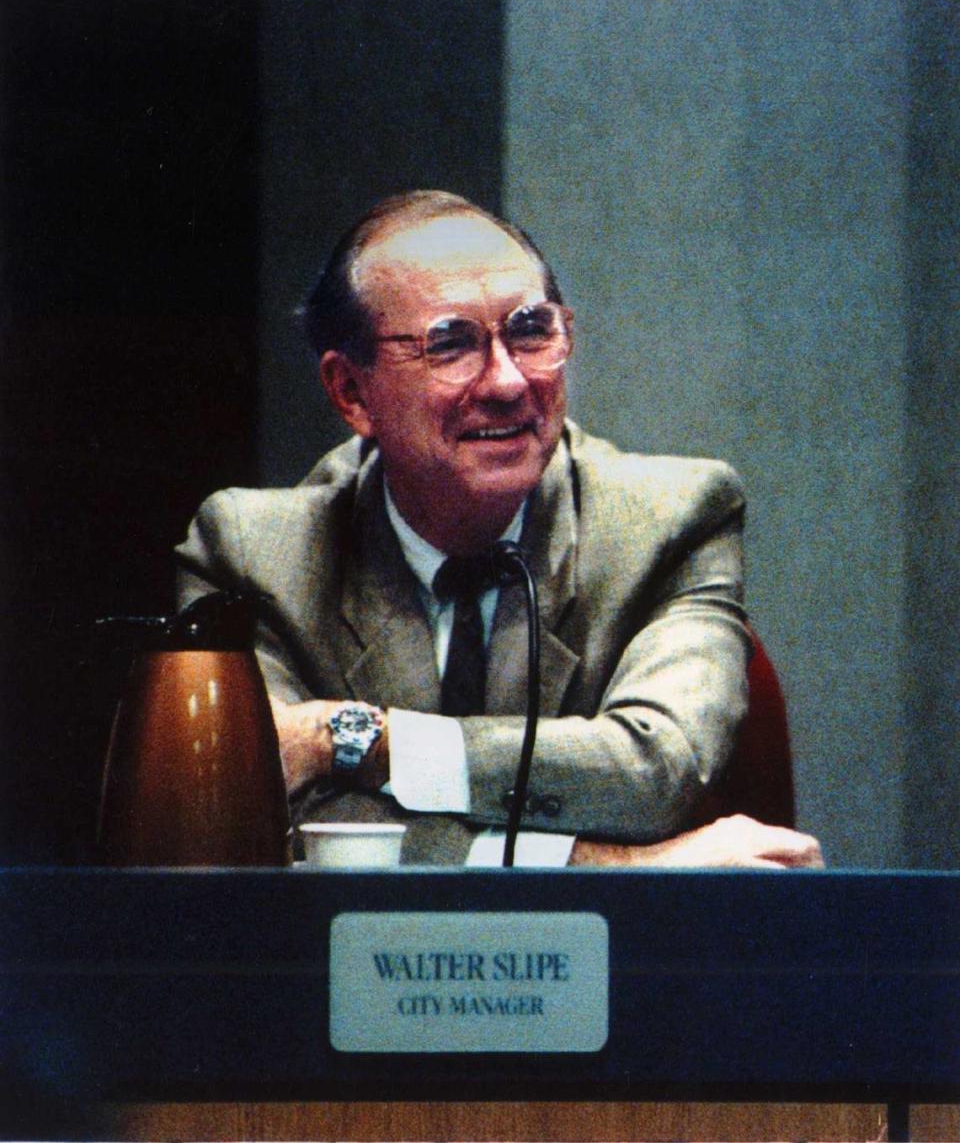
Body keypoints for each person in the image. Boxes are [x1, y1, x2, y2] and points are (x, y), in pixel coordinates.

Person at [175, 190, 822, 869]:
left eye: (531, 332)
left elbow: (654, 772)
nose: (509, 381)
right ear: (351, 393)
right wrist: (616, 866)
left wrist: (356, 739)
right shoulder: (250, 554)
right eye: (450, 344)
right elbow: (251, 819)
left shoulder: (673, 520)